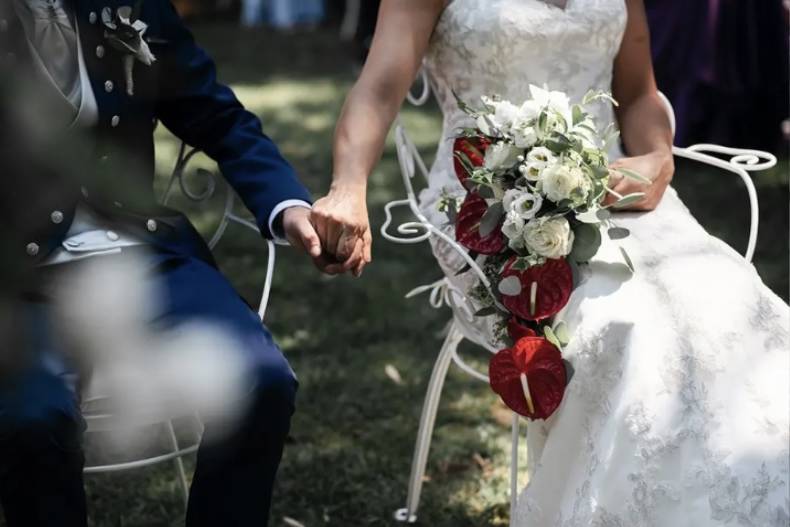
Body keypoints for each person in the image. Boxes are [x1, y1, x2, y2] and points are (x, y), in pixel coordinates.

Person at [310, 0, 790, 524]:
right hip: (489, 208)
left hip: (619, 191)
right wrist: (347, 187)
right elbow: (378, 90)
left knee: (726, 293)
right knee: (620, 322)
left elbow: (638, 94)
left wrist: (657, 157)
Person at [0, 0, 328, 525]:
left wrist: (287, 206)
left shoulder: (129, 4)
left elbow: (218, 115)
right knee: (34, 421)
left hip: (143, 251)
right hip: (18, 279)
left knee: (261, 379)